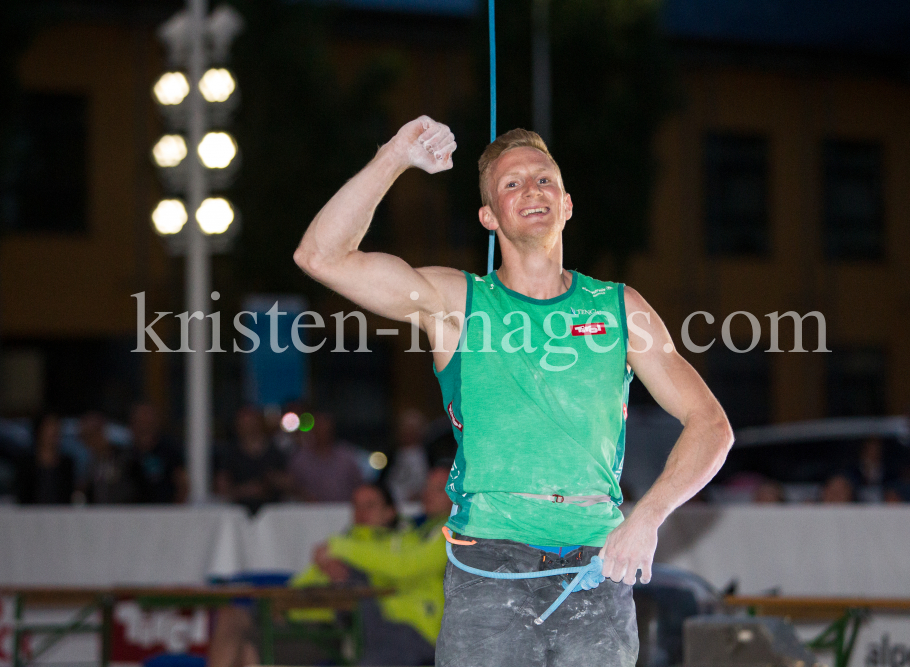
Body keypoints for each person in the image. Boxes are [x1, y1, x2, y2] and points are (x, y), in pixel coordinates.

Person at [293, 116, 733, 666]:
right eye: (512, 183)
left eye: (544, 179)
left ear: (567, 204)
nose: (531, 189)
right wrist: (395, 156)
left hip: (596, 568)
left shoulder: (621, 308)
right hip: (490, 570)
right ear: (489, 215)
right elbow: (321, 257)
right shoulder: (456, 303)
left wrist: (646, 519)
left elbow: (711, 425)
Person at [209, 482, 401, 667]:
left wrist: (342, 569)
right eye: (356, 506)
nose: (361, 513)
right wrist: (282, 607)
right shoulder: (339, 543)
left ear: (389, 512)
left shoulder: (393, 549)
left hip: (328, 629)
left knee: (248, 645)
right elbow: (300, 583)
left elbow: (377, 597)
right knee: (231, 615)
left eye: (370, 506)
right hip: (293, 616)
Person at [317, 466, 452, 665]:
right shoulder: (418, 532)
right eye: (427, 487)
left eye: (439, 488)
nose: (427, 494)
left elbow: (402, 567)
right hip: (388, 627)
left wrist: (338, 547)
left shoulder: (454, 534)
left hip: (420, 634)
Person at [215, 405, 292, 513]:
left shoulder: (275, 451)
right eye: (243, 423)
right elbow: (221, 488)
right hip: (239, 515)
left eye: (251, 422)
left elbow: (291, 484)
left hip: (272, 515)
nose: (247, 426)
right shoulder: (230, 454)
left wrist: (274, 481)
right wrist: (245, 490)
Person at [287, 411, 364, 502]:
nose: (321, 430)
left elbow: (359, 486)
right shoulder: (300, 459)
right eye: (318, 426)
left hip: (343, 511)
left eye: (324, 426)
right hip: (310, 512)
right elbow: (292, 486)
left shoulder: (346, 456)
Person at [129, 403, 187, 503]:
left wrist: (175, 512)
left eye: (148, 423)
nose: (144, 427)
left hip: (163, 512)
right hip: (130, 513)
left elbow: (182, 484)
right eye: (140, 423)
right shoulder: (126, 453)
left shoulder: (169, 450)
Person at [18, 413, 75, 504]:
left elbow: (67, 497)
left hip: (60, 516)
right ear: (39, 430)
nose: (54, 430)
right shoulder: (26, 463)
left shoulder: (66, 463)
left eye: (57, 426)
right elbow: (22, 496)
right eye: (49, 426)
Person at [79, 411, 136, 504]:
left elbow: (132, 489)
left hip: (124, 512)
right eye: (86, 437)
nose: (93, 441)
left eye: (94, 434)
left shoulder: (124, 457)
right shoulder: (87, 462)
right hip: (98, 514)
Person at [386, 408, 430, 503]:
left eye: (412, 429)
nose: (408, 433)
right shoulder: (392, 456)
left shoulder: (429, 456)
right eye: (405, 429)